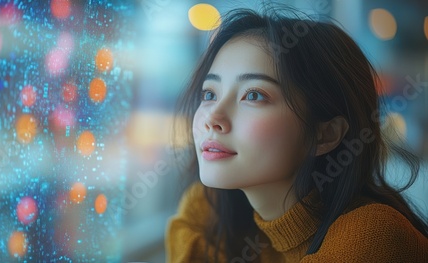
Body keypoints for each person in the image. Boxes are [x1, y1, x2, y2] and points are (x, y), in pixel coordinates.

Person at [165, 6, 428, 263]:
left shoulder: (372, 237)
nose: (212, 118)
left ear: (325, 135)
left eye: (254, 95)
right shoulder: (208, 212)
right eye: (209, 93)